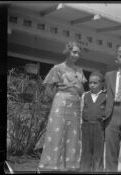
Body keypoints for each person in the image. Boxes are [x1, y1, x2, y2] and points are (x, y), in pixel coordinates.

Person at [38, 41, 87, 171]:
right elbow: (48, 89)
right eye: (74, 52)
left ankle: (71, 164)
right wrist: (58, 100)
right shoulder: (57, 68)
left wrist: (78, 87)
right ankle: (51, 164)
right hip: (60, 103)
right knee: (56, 133)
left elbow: (82, 92)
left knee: (73, 134)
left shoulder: (79, 70)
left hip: (75, 105)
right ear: (68, 51)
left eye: (78, 53)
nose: (76, 55)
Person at [80, 71, 106, 172]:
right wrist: (79, 127)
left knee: (98, 153)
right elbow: (80, 111)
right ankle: (84, 170)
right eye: (90, 82)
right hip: (86, 127)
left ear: (101, 84)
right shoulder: (85, 95)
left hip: (99, 128)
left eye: (95, 83)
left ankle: (98, 170)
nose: (92, 85)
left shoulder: (106, 96)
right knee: (86, 152)